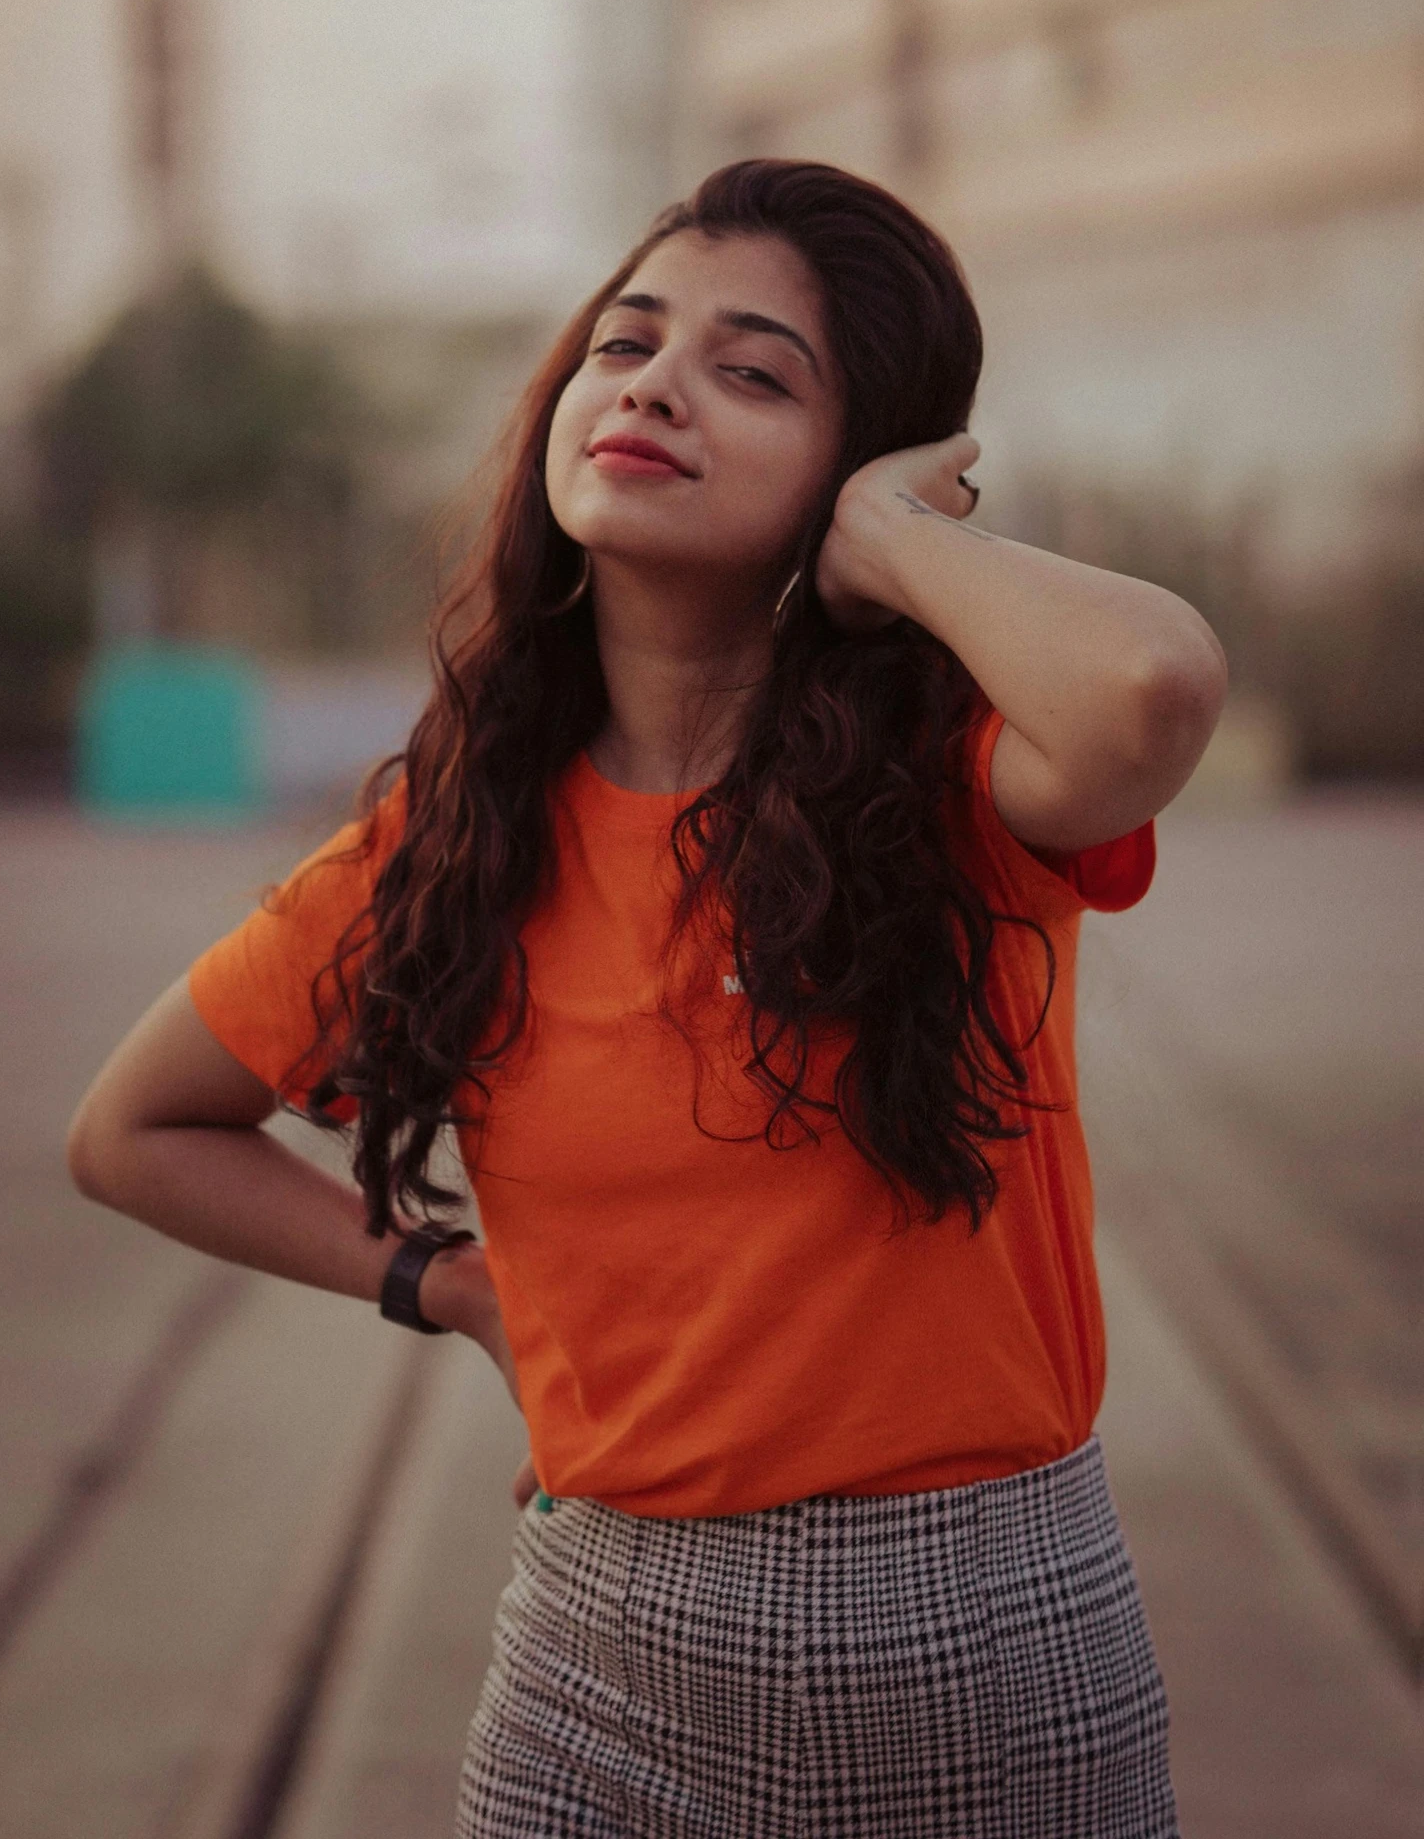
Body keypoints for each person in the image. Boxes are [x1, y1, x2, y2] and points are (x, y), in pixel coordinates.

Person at [69, 159, 1225, 1837]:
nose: (658, 386)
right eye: (627, 342)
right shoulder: (451, 841)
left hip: (975, 1654)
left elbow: (1157, 685)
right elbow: (133, 1131)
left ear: (853, 468)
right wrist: (451, 1289)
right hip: (592, 1666)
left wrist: (890, 545)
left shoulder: (956, 781)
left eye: (755, 373)